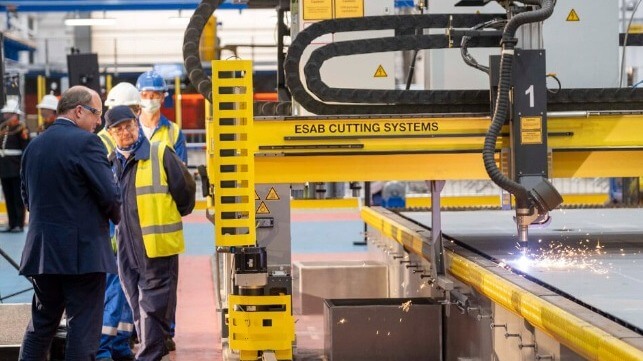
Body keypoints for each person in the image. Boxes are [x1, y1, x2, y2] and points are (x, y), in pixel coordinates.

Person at [18, 85, 121, 360]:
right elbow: (110, 195)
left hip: (43, 255)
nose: (99, 122)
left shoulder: (34, 146)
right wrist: (116, 214)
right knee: (83, 331)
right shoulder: (87, 143)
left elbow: (26, 198)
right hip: (83, 256)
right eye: (96, 114)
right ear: (79, 111)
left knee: (41, 327)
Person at [105, 105, 195, 361]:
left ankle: (149, 355)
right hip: (124, 247)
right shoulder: (110, 163)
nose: (125, 132)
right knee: (136, 302)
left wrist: (165, 218)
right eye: (118, 129)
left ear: (137, 125)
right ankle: (157, 343)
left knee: (152, 304)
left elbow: (185, 193)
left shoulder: (159, 153)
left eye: (129, 126)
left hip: (155, 246)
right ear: (111, 133)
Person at [136, 70, 188, 349]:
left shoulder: (173, 131)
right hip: (133, 221)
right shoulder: (126, 128)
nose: (150, 100)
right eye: (145, 95)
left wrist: (175, 208)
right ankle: (139, 329)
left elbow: (182, 178)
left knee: (165, 283)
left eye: (155, 95)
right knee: (134, 280)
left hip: (163, 220)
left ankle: (166, 332)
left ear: (164, 97)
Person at [97, 82, 140, 361]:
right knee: (113, 291)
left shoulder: (130, 141)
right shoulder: (102, 143)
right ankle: (103, 349)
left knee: (125, 292)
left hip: (128, 231)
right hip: (112, 232)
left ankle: (121, 344)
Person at [0, 98, 30, 232]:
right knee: (8, 196)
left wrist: (23, 167)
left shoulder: (21, 129)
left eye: (8, 113)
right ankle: (12, 223)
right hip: (4, 167)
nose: (5, 115)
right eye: (5, 113)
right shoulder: (3, 128)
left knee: (18, 197)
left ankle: (19, 223)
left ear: (15, 114)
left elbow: (25, 149)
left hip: (16, 167)